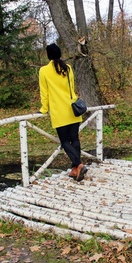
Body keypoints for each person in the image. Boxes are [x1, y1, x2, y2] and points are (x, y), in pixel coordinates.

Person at [38, 43, 88, 182]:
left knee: (65, 141)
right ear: (60, 53)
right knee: (75, 139)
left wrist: (43, 109)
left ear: (48, 55)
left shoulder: (44, 71)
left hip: (59, 111)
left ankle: (78, 164)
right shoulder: (68, 68)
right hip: (72, 109)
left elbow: (44, 92)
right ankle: (74, 170)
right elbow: (72, 88)